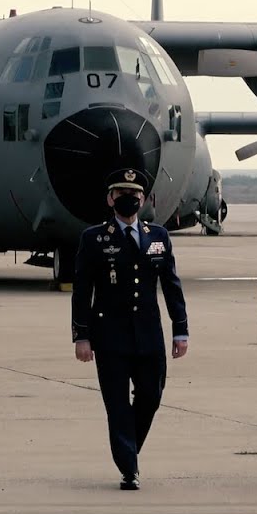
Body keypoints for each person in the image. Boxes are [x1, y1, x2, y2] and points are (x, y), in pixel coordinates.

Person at [72, 168, 188, 490]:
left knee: (151, 395)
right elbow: (82, 291)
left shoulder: (158, 237)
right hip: (109, 336)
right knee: (117, 403)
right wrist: (81, 336)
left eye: (134, 194)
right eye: (121, 193)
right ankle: (129, 467)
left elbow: (171, 284)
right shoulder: (94, 238)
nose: (128, 198)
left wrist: (181, 328)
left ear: (144, 199)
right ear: (110, 198)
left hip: (149, 335)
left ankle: (128, 446)